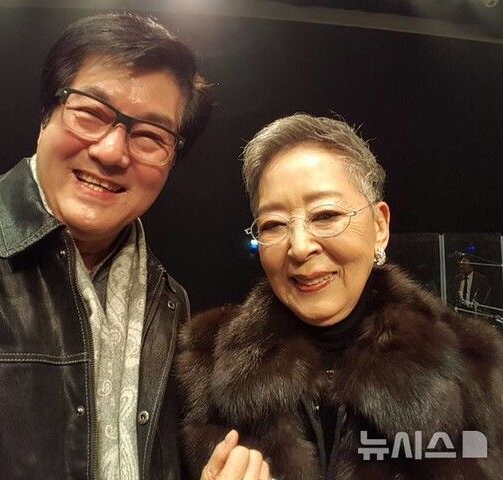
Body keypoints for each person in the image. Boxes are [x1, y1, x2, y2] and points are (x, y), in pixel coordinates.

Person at [0, 12, 209, 480]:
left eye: (150, 136)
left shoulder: (168, 303)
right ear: (47, 114)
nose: (112, 151)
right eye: (91, 113)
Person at [178, 113, 503, 479]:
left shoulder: (471, 364)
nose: (299, 247)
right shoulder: (206, 365)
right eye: (273, 224)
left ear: (379, 227)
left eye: (326, 215)